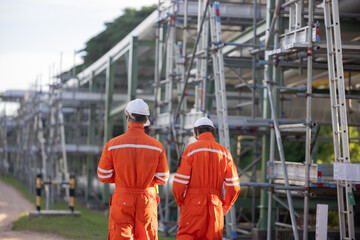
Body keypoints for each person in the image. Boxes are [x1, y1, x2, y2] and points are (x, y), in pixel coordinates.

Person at [97, 98, 169, 240]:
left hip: (122, 198)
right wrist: (147, 181)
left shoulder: (113, 145)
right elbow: (163, 177)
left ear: (128, 117)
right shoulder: (157, 146)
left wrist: (121, 178)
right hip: (147, 199)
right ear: (145, 120)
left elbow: (103, 175)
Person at [173, 117, 240, 239]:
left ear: (196, 132)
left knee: (187, 236)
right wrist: (225, 206)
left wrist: (181, 201)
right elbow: (234, 186)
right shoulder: (224, 152)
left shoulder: (191, 149)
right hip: (215, 206)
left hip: (192, 204)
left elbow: (179, 182)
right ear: (212, 132)